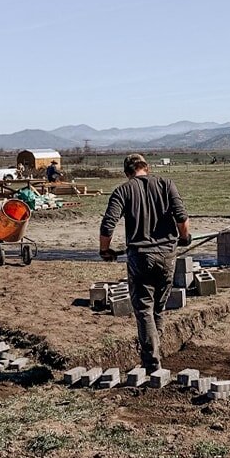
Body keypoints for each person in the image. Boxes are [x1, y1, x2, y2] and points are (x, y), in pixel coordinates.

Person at [99, 153, 191, 372]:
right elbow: (182, 216)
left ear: (127, 172)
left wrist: (105, 250)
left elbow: (107, 225)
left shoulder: (123, 190)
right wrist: (184, 237)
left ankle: (151, 363)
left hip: (140, 257)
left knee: (144, 310)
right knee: (158, 309)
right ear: (145, 168)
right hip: (167, 255)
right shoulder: (166, 184)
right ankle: (156, 353)